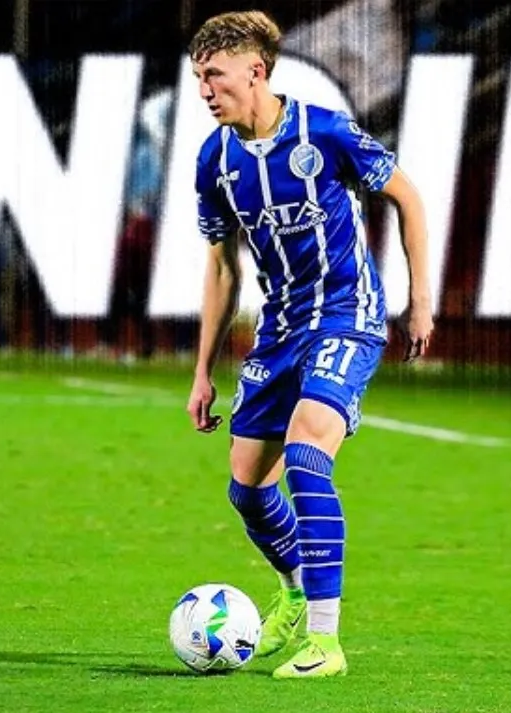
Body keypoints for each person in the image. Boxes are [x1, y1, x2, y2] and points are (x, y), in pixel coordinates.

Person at [184, 10, 433, 679]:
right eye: (199, 77)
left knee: (305, 454)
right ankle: (295, 590)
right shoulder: (215, 160)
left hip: (348, 313)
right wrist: (203, 371)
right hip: (280, 328)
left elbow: (407, 198)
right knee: (247, 491)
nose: (205, 90)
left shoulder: (324, 132)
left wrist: (420, 301)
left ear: (255, 71)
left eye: (214, 75)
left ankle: (326, 642)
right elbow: (223, 270)